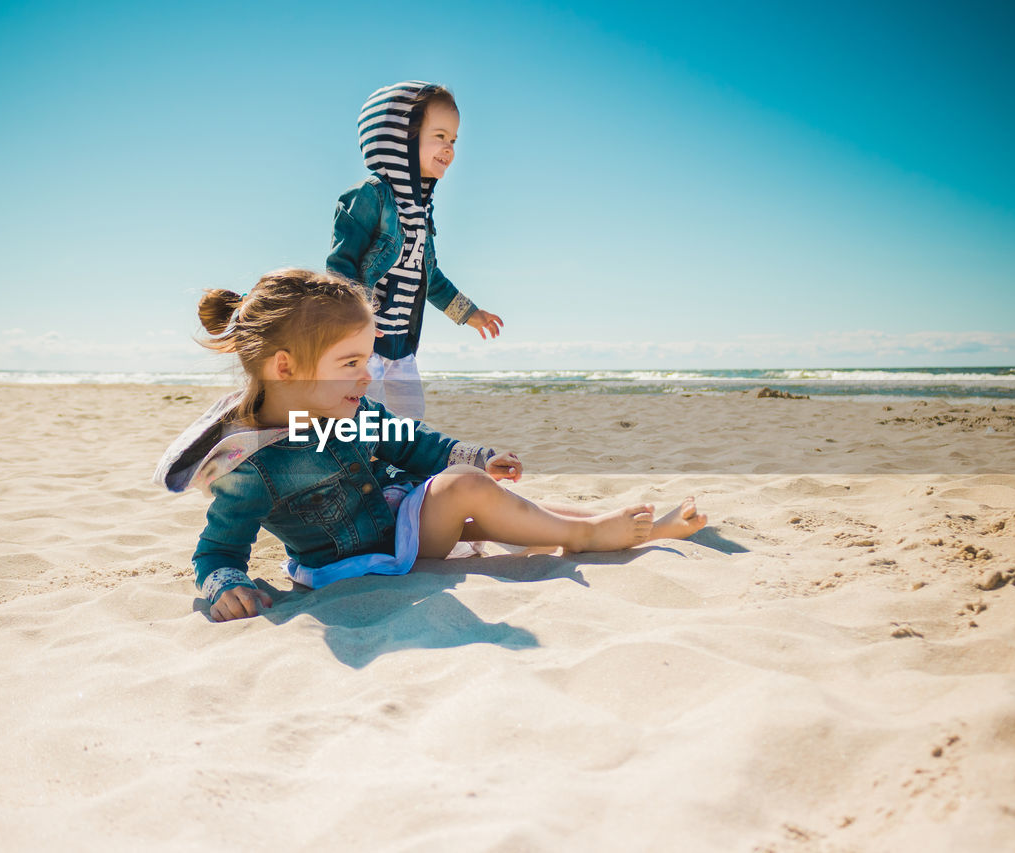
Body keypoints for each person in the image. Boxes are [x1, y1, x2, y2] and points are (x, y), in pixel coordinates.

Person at [154, 269, 707, 622]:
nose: (366, 376)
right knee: (466, 492)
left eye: (367, 359)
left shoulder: (346, 412)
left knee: (485, 500)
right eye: (349, 363)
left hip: (400, 522)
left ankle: (608, 524)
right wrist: (225, 583)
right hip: (360, 563)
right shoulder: (253, 465)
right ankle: (587, 535)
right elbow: (220, 548)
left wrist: (474, 454)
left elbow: (411, 444)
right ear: (286, 368)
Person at [327, 81, 503, 420]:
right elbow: (341, 267)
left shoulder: (421, 211)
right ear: (399, 139)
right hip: (365, 347)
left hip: (402, 348)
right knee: (361, 421)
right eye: (439, 136)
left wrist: (469, 313)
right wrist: (354, 317)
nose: (449, 148)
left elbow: (430, 277)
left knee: (409, 421)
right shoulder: (369, 196)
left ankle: (398, 472)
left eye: (453, 140)